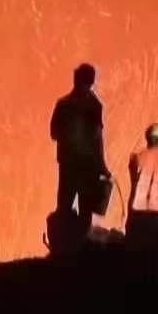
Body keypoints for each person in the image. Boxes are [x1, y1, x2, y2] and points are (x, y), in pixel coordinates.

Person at [49, 63, 108, 222]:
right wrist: (102, 166)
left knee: (64, 206)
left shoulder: (63, 104)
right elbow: (97, 138)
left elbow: (53, 134)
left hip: (68, 163)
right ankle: (82, 244)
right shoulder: (95, 105)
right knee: (85, 211)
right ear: (91, 81)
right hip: (89, 166)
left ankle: (61, 242)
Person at [126, 123, 158, 239]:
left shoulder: (135, 159)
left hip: (138, 211)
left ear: (147, 139)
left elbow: (133, 189)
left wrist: (129, 218)